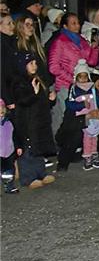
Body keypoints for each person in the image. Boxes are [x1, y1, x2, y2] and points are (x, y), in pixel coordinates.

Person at [48, 12, 99, 135]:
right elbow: (53, 67)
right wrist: (72, 79)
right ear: (65, 26)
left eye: (78, 23)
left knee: (81, 114)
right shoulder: (59, 42)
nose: (77, 26)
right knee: (62, 116)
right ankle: (57, 143)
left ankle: (78, 144)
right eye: (73, 23)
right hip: (65, 86)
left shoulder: (82, 40)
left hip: (82, 86)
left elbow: (92, 62)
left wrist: (95, 48)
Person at [12, 52, 57, 187]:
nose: (35, 66)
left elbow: (41, 100)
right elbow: (23, 101)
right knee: (28, 149)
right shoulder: (19, 82)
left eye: (35, 63)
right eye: (31, 63)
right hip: (27, 121)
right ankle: (28, 177)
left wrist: (50, 100)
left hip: (39, 120)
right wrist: (34, 93)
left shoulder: (37, 79)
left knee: (39, 146)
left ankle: (41, 173)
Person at [0, 98, 20, 193]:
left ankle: (9, 186)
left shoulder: (9, 122)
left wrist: (18, 147)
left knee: (9, 171)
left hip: (9, 151)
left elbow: (15, 135)